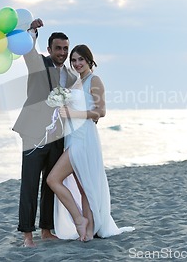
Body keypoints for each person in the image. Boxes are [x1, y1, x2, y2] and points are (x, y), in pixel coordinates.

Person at [47, 44, 134, 241]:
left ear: (89, 60)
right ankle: (88, 228)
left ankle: (80, 220)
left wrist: (72, 113)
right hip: (71, 137)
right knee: (83, 186)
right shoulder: (77, 82)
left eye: (81, 60)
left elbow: (100, 112)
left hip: (84, 138)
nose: (77, 64)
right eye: (74, 60)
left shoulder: (94, 80)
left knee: (53, 179)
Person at [12, 19, 78, 248]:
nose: (62, 52)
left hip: (57, 136)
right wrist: (32, 32)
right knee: (29, 184)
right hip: (32, 133)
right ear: (49, 49)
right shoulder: (39, 63)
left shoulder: (70, 76)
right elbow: (28, 50)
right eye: (58, 48)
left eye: (65, 49)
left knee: (51, 183)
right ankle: (27, 236)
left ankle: (46, 230)